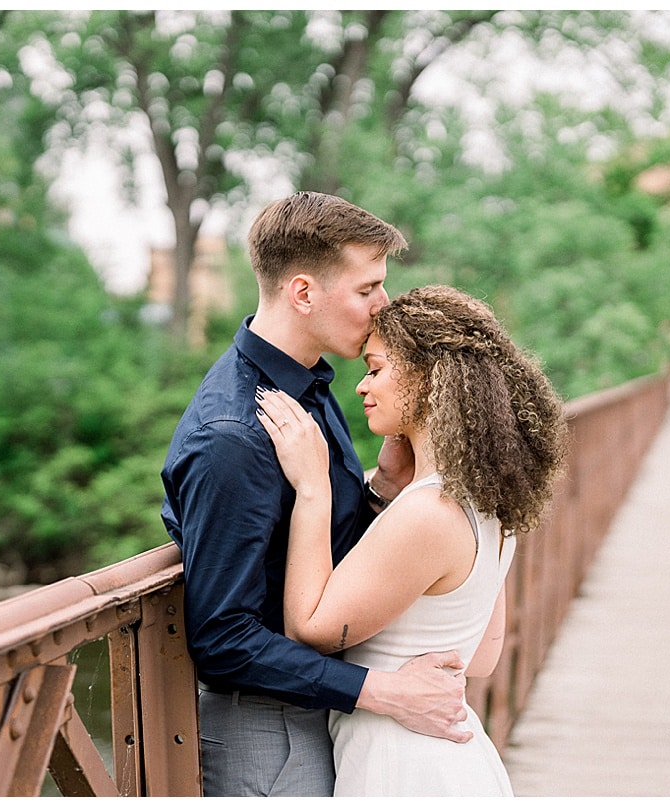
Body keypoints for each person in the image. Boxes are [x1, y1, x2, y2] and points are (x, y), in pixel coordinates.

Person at [160, 193, 474, 797]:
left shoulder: (308, 385)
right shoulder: (234, 436)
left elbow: (317, 544)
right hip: (268, 732)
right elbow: (222, 639)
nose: (384, 305)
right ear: (303, 293)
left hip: (315, 708)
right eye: (367, 289)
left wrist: (379, 490)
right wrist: (388, 693)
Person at [255, 285, 569, 796]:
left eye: (375, 368)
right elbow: (481, 657)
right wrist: (382, 493)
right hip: (454, 761)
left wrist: (314, 489)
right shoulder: (488, 502)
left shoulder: (428, 512)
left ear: (426, 379)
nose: (362, 386)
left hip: (401, 766)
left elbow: (310, 628)